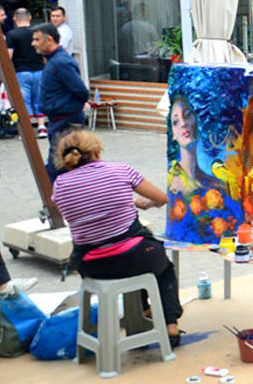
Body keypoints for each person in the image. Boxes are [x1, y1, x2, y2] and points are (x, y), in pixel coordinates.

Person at [52, 129, 184, 348]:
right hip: (135, 257)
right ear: (96, 151)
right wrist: (139, 202)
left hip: (91, 265)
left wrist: (127, 202)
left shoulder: (60, 186)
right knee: (161, 266)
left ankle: (143, 313)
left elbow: (88, 207)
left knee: (138, 258)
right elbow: (162, 198)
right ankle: (170, 325)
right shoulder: (120, 170)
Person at [33, 23, 89, 178]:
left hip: (66, 121)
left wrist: (67, 107)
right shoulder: (54, 61)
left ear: (49, 39)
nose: (33, 44)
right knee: (62, 165)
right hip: (59, 120)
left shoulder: (61, 62)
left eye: (37, 40)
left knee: (59, 166)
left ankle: (60, 200)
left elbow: (81, 91)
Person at [167, 95, 224, 194]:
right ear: (172, 134)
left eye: (187, 115)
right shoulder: (174, 184)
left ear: (198, 121)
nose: (183, 123)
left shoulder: (214, 184)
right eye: (176, 121)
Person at [7, 8, 48, 137]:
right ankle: (42, 127)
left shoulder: (11, 35)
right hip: (39, 70)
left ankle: (27, 129)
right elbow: (44, 53)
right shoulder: (38, 33)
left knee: (23, 101)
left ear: (14, 19)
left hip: (21, 71)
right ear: (30, 17)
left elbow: (9, 56)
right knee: (39, 98)